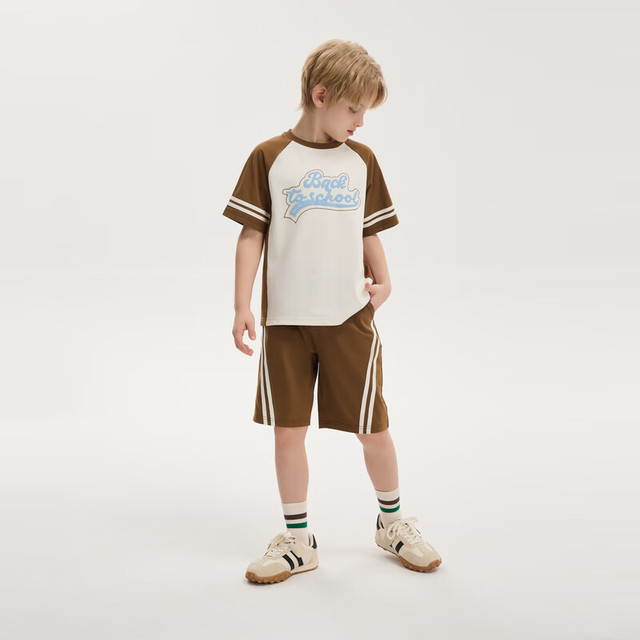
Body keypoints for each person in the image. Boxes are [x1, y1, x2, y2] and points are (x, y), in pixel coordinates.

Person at [222, 39, 442, 584]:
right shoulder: (270, 156)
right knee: (288, 432)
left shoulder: (361, 161)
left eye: (365, 112)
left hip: (349, 319)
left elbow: (368, 229)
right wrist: (242, 304)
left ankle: (392, 522)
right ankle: (298, 540)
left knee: (373, 427)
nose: (360, 122)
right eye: (353, 109)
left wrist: (384, 279)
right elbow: (251, 234)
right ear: (320, 96)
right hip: (286, 324)